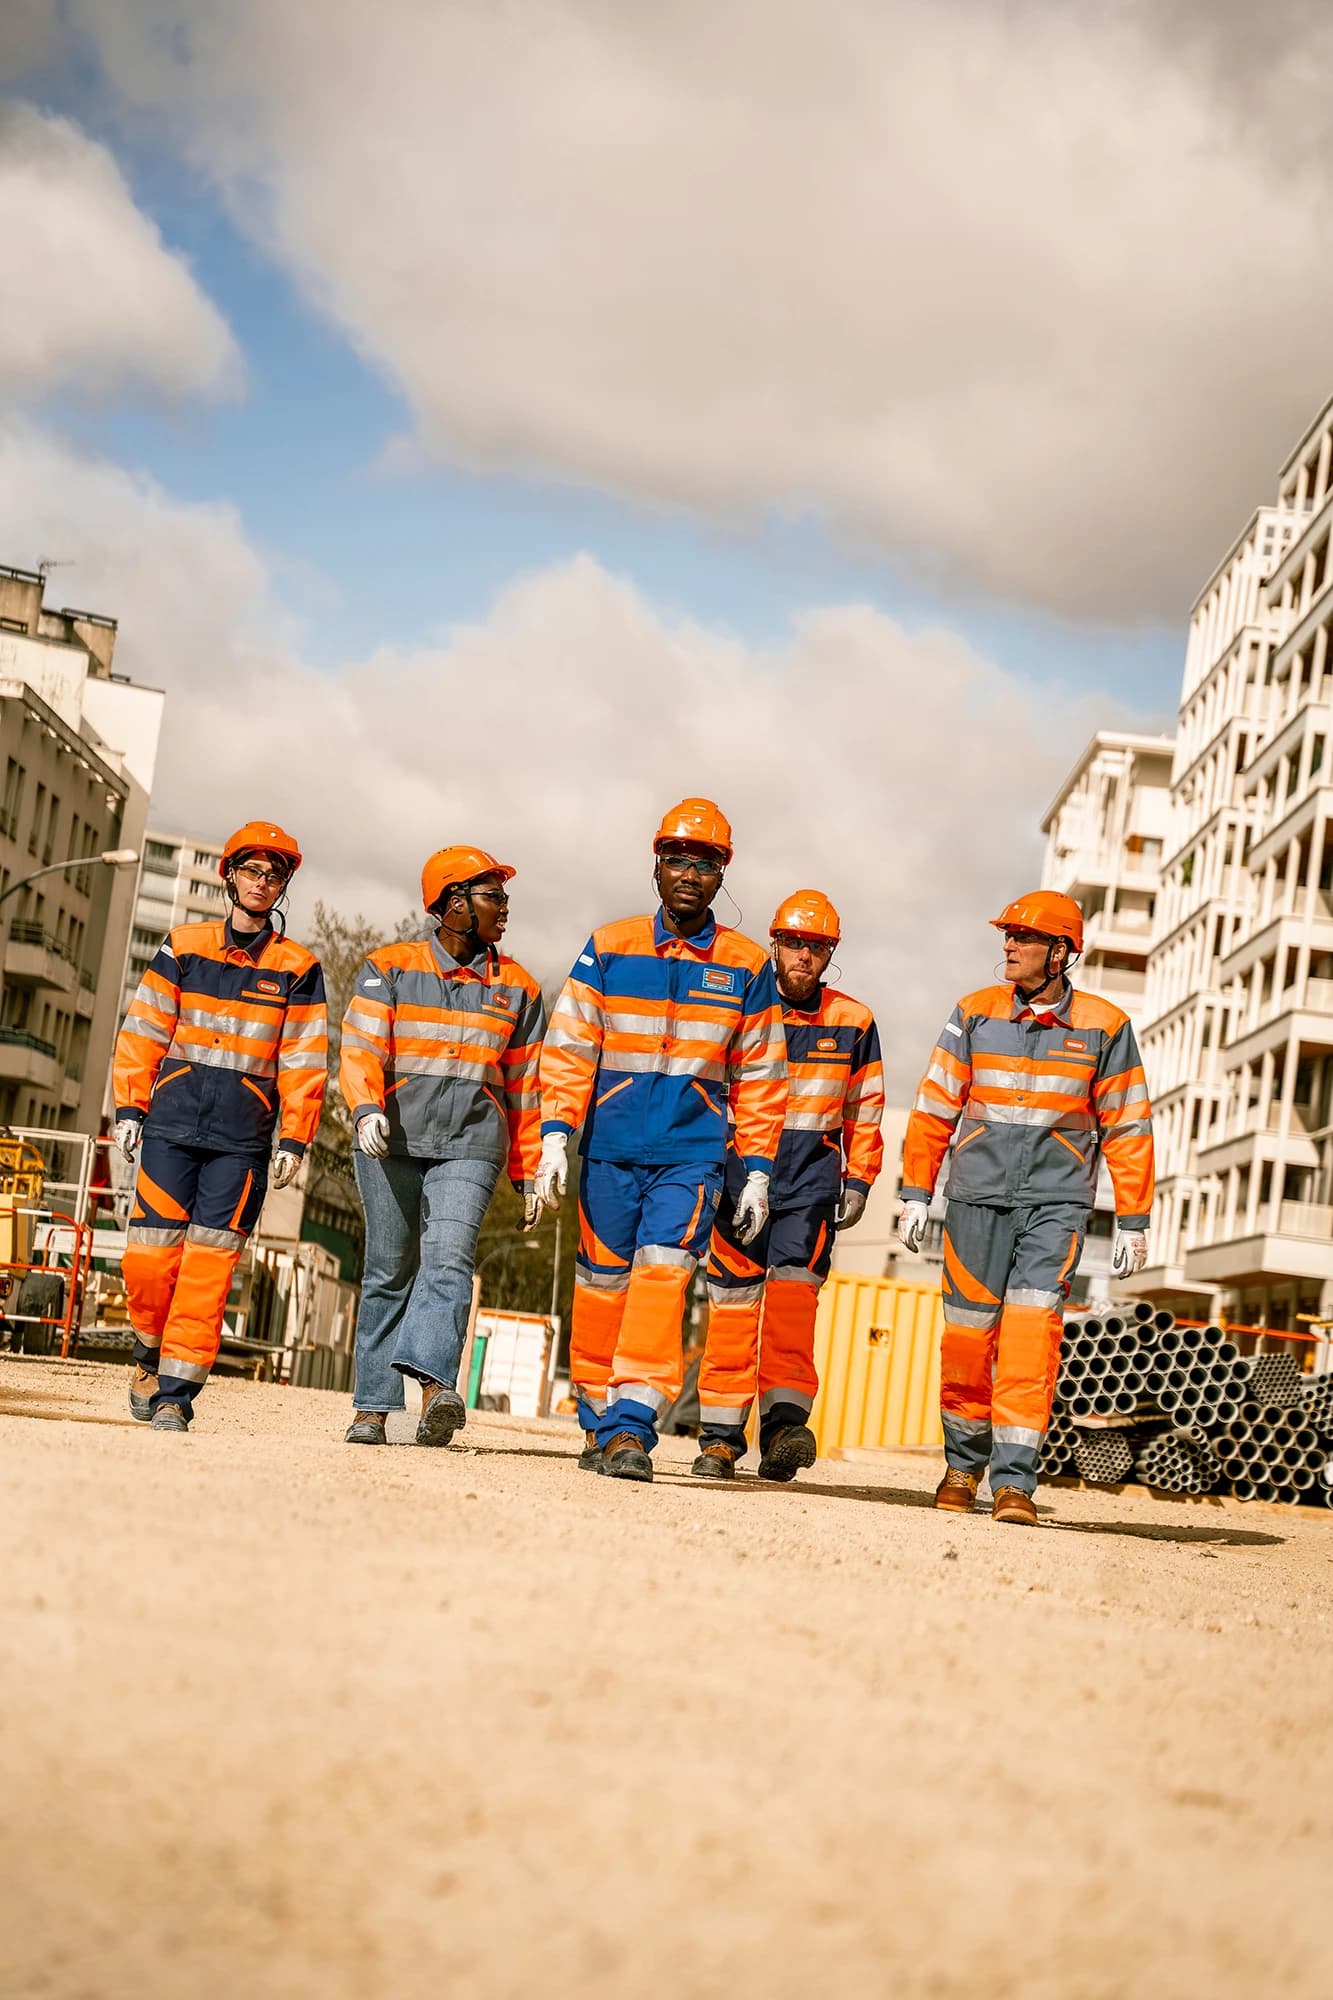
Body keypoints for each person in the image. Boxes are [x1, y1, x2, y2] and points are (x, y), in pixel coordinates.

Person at [535, 798, 786, 1482]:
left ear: (720, 876)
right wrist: (554, 1133)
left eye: (703, 865)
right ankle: (596, 1418)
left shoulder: (745, 965)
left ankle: (630, 1425)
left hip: (690, 1156)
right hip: (609, 1151)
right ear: (656, 869)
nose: (688, 875)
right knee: (599, 1285)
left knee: (661, 1278)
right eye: (677, 860)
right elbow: (567, 1046)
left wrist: (758, 1168)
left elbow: (763, 1075)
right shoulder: (609, 947)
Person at [898, 892, 1154, 1525]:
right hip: (976, 1200)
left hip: (1055, 1206)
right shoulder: (974, 1013)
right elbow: (934, 1108)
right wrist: (914, 1193)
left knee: (1029, 1340)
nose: (1007, 946)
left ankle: (1015, 1483)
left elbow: (1128, 1126)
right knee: (965, 1338)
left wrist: (1134, 1217)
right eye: (1006, 936)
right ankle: (962, 1465)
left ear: (1060, 951)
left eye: (1022, 937)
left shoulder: (1105, 1025)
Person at [112, 821, 327, 1431]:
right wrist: (130, 1107)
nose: (263, 883)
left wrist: (294, 1138)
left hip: (242, 1143)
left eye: (275, 874)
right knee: (149, 1263)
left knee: (209, 1267)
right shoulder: (184, 946)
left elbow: (305, 1060)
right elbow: (144, 1031)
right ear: (230, 875)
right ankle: (148, 1351)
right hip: (171, 1129)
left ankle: (177, 1395)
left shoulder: (299, 967)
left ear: (283, 886)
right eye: (253, 871)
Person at [339, 847, 546, 1446]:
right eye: (493, 897)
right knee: (389, 1268)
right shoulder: (389, 968)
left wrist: (528, 1168)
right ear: (455, 904)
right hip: (391, 1140)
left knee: (449, 1258)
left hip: (470, 1145)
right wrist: (365, 1108)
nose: (505, 908)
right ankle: (373, 1407)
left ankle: (435, 1393)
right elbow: (360, 1047)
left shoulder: (519, 988)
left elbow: (526, 1088)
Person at [692, 890, 884, 1482]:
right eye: (795, 943)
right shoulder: (744, 1008)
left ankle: (783, 1428)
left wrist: (860, 1179)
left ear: (830, 954)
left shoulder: (853, 1021)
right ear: (774, 943)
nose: (804, 955)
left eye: (817, 947)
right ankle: (721, 1440)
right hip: (736, 1178)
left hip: (810, 1185)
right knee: (731, 1306)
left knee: (793, 1308)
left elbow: (865, 1106)